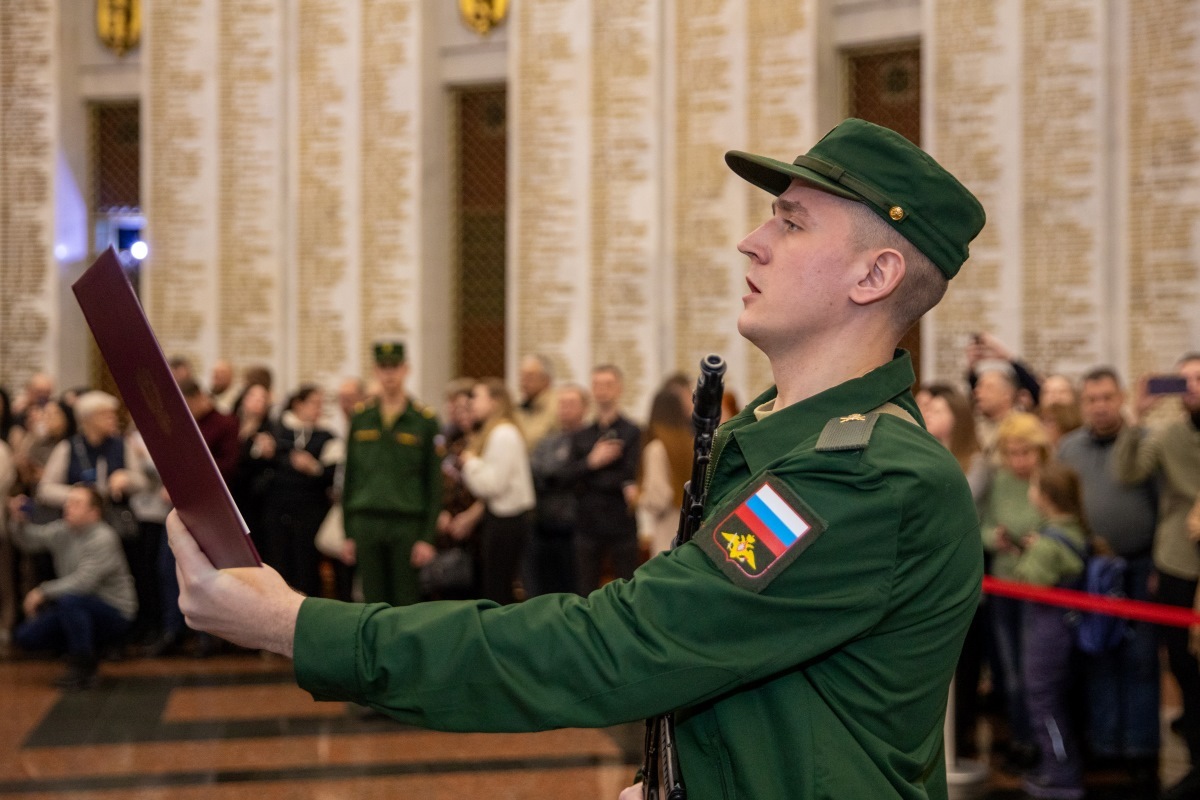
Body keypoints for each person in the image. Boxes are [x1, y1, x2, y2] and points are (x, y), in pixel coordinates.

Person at [166, 118, 985, 798]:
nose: (752, 240)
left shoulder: (864, 475)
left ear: (875, 274)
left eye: (792, 221)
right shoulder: (784, 443)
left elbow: (620, 647)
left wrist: (296, 625)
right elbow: (754, 683)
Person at [1057, 367, 1159, 785]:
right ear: (1083, 404)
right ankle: (1102, 742)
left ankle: (1139, 746)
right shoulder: (1067, 449)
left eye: (1107, 397)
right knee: (1098, 654)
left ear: (1120, 399)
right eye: (1092, 399)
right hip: (1091, 568)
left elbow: (1163, 505)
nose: (1100, 406)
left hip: (1140, 564)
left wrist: (1155, 564)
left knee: (1139, 660)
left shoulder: (1147, 445)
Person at [1113, 353, 1200, 800]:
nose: (1191, 388)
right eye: (1183, 381)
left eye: (1198, 379)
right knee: (1182, 663)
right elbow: (1128, 472)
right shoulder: (1168, 435)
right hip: (1177, 560)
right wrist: (1137, 415)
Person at [7, 484, 137, 689]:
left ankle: (84, 666)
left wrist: (43, 591)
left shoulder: (103, 537)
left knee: (71, 601)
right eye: (68, 501)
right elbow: (28, 541)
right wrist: (18, 521)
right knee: (26, 637)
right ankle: (84, 647)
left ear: (94, 513)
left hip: (114, 611)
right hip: (76, 607)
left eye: (76, 503)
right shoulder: (63, 530)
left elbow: (83, 583)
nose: (68, 507)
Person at [341, 342, 441, 607]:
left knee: (406, 600)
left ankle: (403, 651)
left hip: (406, 522)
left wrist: (427, 537)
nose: (389, 374)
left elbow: (434, 483)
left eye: (394, 367)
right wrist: (348, 531)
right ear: (375, 370)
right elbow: (350, 477)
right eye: (383, 368)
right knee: (372, 601)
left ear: (405, 369)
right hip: (366, 520)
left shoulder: (424, 420)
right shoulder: (362, 418)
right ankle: (375, 650)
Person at [977, 411, 1049, 771]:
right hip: (1005, 582)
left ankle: (1040, 741)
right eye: (1012, 453)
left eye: (1026, 452)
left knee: (1034, 668)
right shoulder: (1001, 481)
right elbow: (984, 527)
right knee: (1009, 670)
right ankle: (1019, 738)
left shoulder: (1050, 479)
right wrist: (996, 537)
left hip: (1041, 588)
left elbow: (1071, 524)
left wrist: (1045, 540)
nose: (1019, 460)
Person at [1014, 463, 1088, 799]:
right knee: (1057, 698)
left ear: (1045, 497)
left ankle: (1060, 774)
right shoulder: (1073, 530)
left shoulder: (1047, 544)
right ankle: (1058, 766)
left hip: (1048, 629)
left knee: (1042, 698)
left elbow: (1030, 581)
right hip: (1067, 625)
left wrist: (1031, 553)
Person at [566, 364, 642, 594]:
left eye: (607, 384)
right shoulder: (581, 435)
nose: (602, 390)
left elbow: (629, 474)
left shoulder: (632, 431)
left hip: (621, 522)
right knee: (585, 589)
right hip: (587, 523)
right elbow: (568, 476)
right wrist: (592, 462)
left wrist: (589, 476)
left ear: (619, 389)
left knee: (627, 587)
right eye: (597, 385)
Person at [460, 378, 535, 605]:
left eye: (477, 397)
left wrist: (470, 463)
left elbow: (493, 485)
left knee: (498, 589)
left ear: (495, 401)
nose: (472, 403)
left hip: (508, 519)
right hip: (502, 518)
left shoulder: (503, 433)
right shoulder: (497, 431)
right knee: (495, 586)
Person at [259, 385, 337, 598]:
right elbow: (264, 465)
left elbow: (331, 474)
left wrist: (314, 468)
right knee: (279, 564)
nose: (318, 409)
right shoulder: (276, 429)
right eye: (314, 403)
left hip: (310, 509)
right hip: (278, 508)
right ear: (298, 404)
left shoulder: (327, 435)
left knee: (307, 566)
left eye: (321, 404)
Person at [527, 383, 589, 596]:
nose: (565, 409)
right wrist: (565, 475)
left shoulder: (590, 440)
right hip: (544, 525)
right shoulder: (547, 442)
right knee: (544, 590)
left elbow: (581, 479)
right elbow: (537, 473)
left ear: (584, 408)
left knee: (574, 590)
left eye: (571, 404)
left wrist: (559, 476)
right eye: (562, 404)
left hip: (576, 528)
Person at [634, 382, 693, 556]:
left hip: (667, 534)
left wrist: (639, 498)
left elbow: (660, 498)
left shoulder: (656, 449)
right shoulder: (690, 444)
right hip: (689, 531)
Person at [514, 354, 558, 449]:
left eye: (530, 376)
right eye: (522, 376)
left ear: (546, 380)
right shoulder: (519, 407)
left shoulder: (557, 406)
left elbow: (533, 440)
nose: (523, 381)